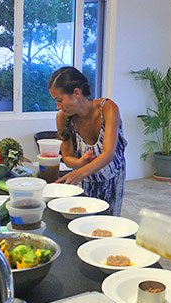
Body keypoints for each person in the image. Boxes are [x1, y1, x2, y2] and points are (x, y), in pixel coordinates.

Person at [48, 67, 127, 216]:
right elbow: (67, 157)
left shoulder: (108, 108)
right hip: (85, 181)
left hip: (112, 178)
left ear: (77, 93)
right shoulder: (62, 117)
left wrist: (80, 173)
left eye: (60, 100)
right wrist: (79, 164)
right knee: (84, 219)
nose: (58, 106)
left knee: (108, 223)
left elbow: (108, 154)